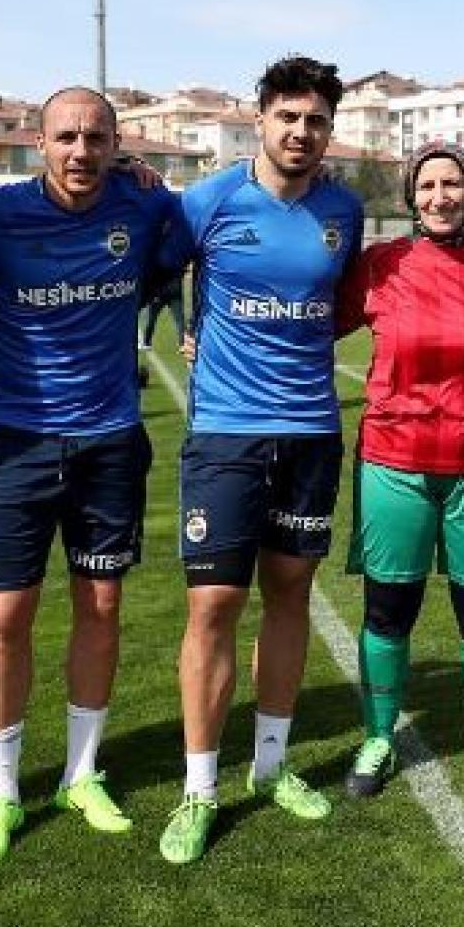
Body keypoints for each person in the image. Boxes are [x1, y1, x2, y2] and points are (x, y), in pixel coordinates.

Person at [0, 86, 178, 868]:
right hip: (18, 444)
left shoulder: (145, 205)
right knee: (5, 619)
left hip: (112, 444)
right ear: (39, 142)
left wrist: (149, 176)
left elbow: (197, 243)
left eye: (96, 137)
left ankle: (81, 776)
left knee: (102, 605)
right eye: (66, 137)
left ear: (117, 144)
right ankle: (1, 792)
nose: (81, 151)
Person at [157, 56, 363, 864]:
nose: (301, 133)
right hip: (226, 435)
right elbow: (142, 265)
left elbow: (340, 308)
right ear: (259, 120)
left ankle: (270, 769)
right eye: (288, 118)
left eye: (315, 121)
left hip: (312, 431)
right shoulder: (207, 201)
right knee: (212, 607)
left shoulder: (342, 212)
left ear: (328, 131)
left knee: (290, 595)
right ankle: (199, 789)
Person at [335, 143, 464, 802]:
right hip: (394, 461)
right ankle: (379, 735)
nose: (440, 196)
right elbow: (306, 322)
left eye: (453, 183)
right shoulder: (380, 266)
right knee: (389, 609)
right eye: (428, 185)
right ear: (410, 197)